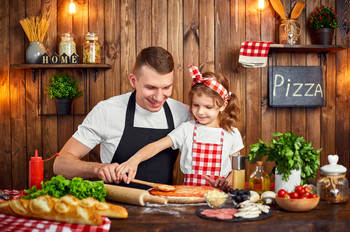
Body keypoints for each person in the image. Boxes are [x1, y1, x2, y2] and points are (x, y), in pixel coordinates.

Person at [53, 46, 190, 189]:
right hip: (116, 208)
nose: (159, 97)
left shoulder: (182, 113)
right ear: (133, 81)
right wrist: (98, 169)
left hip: (162, 207)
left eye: (167, 87)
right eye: (151, 88)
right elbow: (60, 164)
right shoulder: (107, 111)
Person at [116, 65, 244, 191]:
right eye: (195, 105)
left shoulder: (232, 133)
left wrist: (227, 182)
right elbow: (156, 146)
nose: (200, 112)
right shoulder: (187, 129)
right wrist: (134, 160)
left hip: (220, 197)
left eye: (208, 107)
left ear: (223, 105)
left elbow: (239, 169)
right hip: (189, 195)